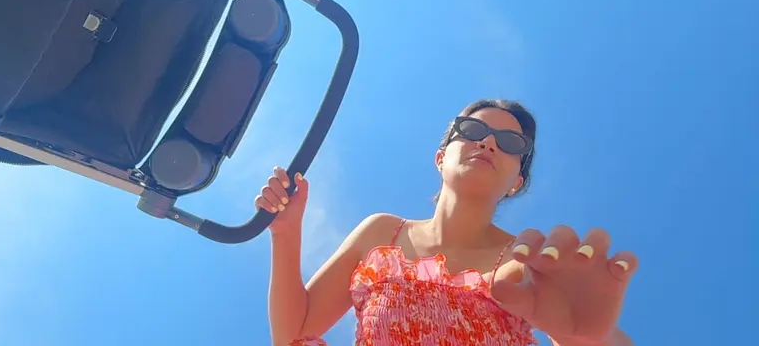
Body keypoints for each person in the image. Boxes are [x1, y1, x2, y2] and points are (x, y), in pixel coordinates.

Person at [256, 99, 638, 346]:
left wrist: (587, 336)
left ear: (516, 182)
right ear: (441, 157)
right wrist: (285, 232)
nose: (488, 143)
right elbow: (294, 333)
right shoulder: (381, 233)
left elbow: (588, 330)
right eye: (473, 130)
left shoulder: (525, 262)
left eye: (510, 143)